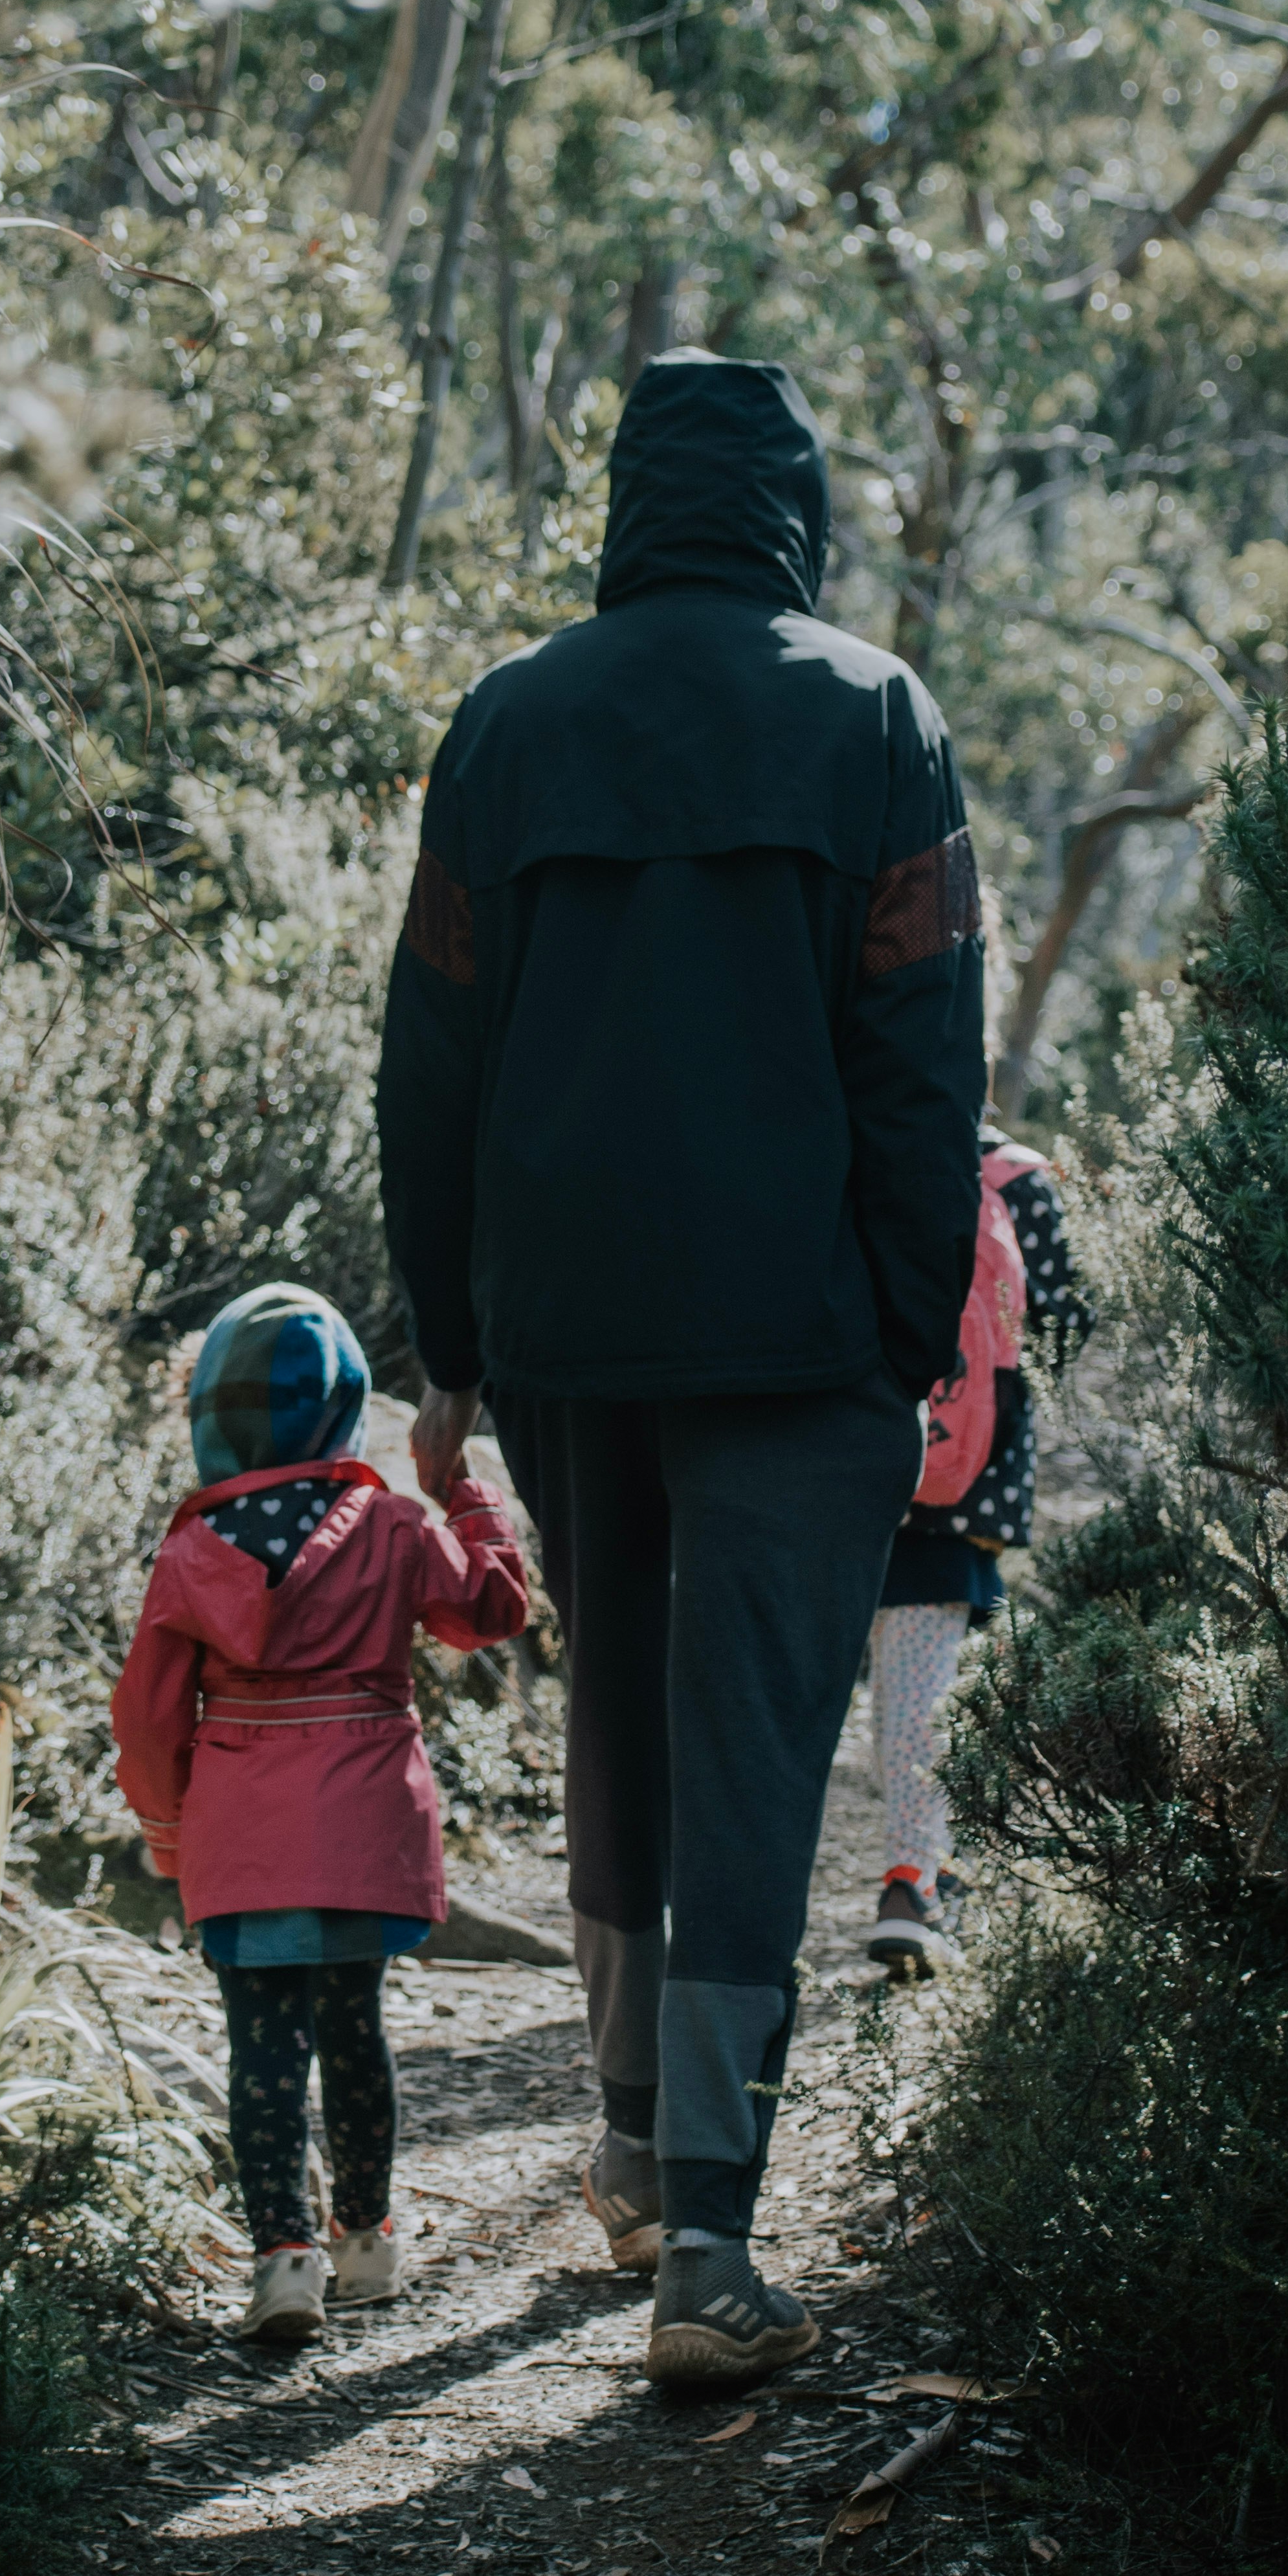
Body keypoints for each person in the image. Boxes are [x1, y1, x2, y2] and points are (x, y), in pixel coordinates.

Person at [376, 350, 983, 2387]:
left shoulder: (510, 725)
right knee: (748, 1750)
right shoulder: (873, 716)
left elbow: (432, 1052)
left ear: (630, 505)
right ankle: (707, 2245)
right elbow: (922, 1056)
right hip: (802, 1340)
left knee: (629, 1724)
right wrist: (913, 1333)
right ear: (796, 502)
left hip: (565, 1326)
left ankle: (633, 2147)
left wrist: (446, 1342)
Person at [110, 1279, 527, 2347]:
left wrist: (166, 1832)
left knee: (262, 2051)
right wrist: (461, 1492)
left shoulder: (192, 1550)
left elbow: (151, 1717)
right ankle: (367, 2243)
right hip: (363, 1832)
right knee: (354, 2036)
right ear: (342, 1406)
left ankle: (282, 2262)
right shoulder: (390, 1524)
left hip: (241, 1841)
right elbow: (490, 1612)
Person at [863, 1122, 1091, 1976]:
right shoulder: (1016, 1177)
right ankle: (913, 1885)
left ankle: (921, 1874)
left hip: (839, 1458)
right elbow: (1066, 1318)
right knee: (924, 1699)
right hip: (966, 1480)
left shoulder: (860, 1138)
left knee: (865, 1700)